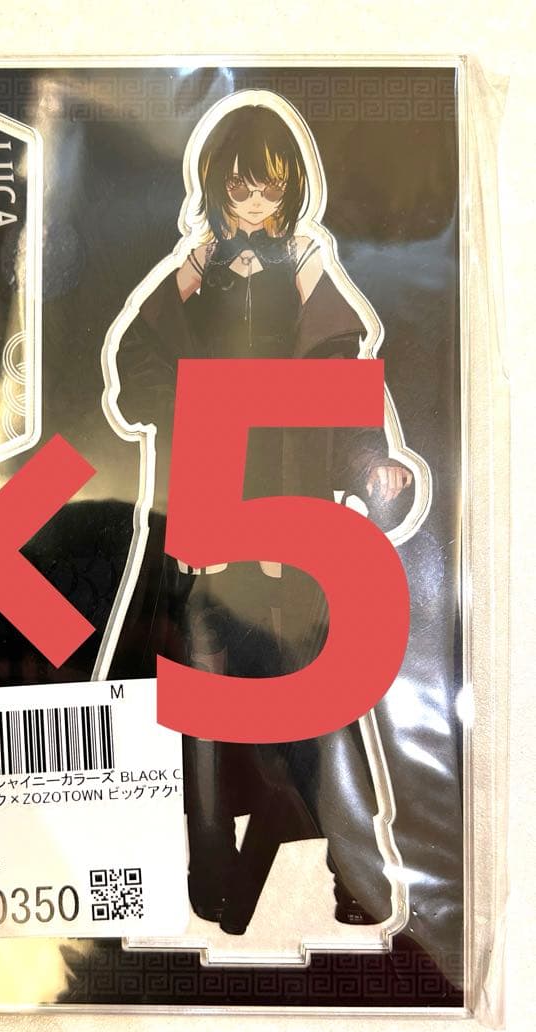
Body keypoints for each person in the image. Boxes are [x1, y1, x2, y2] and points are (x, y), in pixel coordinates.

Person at [101, 94, 419, 936]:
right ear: (217, 187)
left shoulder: (306, 266)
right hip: (210, 511)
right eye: (239, 186)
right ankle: (209, 867)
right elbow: (132, 369)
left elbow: (342, 384)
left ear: (289, 190)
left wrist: (371, 465)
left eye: (267, 187)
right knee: (203, 700)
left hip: (293, 518)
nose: (251, 202)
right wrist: (189, 398)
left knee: (322, 697)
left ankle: (358, 870)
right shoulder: (197, 267)